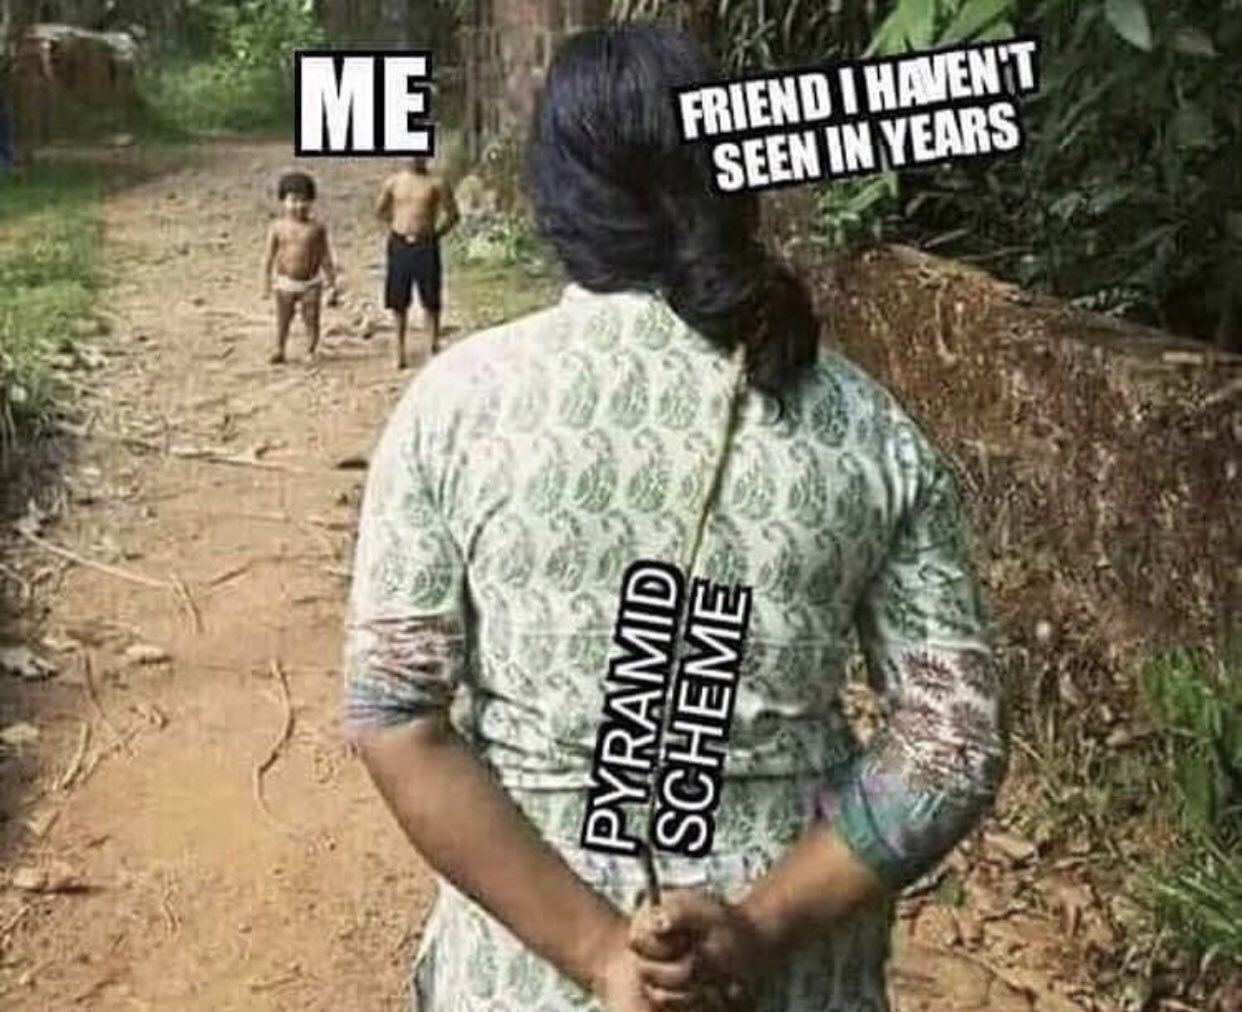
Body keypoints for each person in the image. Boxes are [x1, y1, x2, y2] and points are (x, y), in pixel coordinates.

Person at [343, 22, 1007, 1012]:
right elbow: (951, 737)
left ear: (554, 197)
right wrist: (761, 927)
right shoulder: (863, 423)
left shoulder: (458, 407)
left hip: (523, 978)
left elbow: (395, 718)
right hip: (791, 977)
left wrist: (601, 953)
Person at [374, 155, 460, 368]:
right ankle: (398, 349)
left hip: (426, 244)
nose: (414, 158)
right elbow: (380, 210)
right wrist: (395, 228)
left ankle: (433, 345)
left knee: (431, 298)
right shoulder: (394, 182)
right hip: (400, 244)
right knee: (398, 299)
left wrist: (436, 234)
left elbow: (453, 214)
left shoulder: (436, 183)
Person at [262, 170, 338, 365]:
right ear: (283, 201)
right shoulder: (277, 227)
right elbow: (269, 256)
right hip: (285, 282)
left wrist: (332, 282)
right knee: (283, 318)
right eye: (293, 200)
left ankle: (311, 349)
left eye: (304, 200)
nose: (299, 206)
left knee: (311, 317)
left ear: (311, 201)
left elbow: (325, 255)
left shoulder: (317, 228)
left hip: (311, 283)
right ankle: (279, 348)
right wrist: (266, 282)